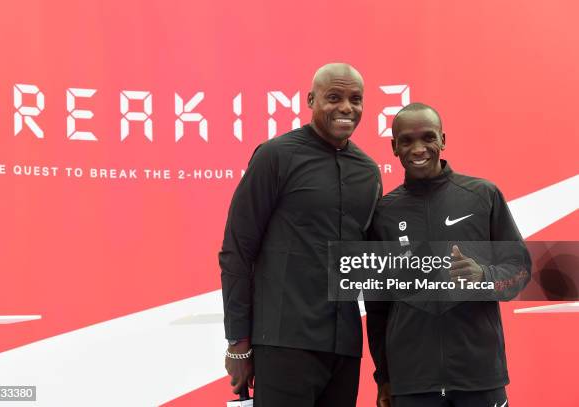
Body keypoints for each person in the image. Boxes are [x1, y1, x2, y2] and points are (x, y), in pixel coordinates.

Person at [219, 63, 382, 406]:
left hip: (344, 348)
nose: (346, 108)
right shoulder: (275, 156)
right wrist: (238, 342)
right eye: (334, 97)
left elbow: (371, 266)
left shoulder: (368, 172)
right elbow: (237, 250)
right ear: (310, 99)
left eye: (356, 99)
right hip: (283, 343)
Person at [365, 103, 531, 407]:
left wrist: (484, 276)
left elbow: (520, 269)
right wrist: (384, 377)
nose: (418, 149)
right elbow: (377, 308)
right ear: (393, 147)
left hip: (479, 377)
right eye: (406, 140)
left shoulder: (483, 196)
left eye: (428, 137)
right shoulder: (383, 214)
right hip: (412, 383)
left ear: (443, 140)